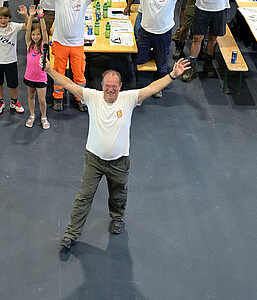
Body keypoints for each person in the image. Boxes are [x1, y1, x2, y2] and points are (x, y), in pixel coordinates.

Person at [52, 58, 191, 250]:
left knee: (118, 193)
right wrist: (49, 69)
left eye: (114, 86)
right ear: (102, 86)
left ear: (120, 86)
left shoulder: (129, 98)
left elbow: (151, 88)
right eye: (107, 86)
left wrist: (172, 75)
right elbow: (67, 83)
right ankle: (71, 233)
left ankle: (117, 218)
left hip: (119, 162)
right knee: (83, 197)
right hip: (93, 160)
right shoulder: (92, 97)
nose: (110, 90)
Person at [46, 0, 121, 111]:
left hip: (77, 44)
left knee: (79, 74)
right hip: (60, 43)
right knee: (59, 72)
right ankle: (58, 97)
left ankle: (80, 97)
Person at [130, 0, 189, 82]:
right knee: (139, 58)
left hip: (164, 34)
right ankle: (155, 55)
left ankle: (159, 84)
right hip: (145, 32)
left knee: (162, 65)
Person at [20, 4, 50, 129]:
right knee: (31, 96)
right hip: (29, 77)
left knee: (42, 100)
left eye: (37, 35)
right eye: (33, 35)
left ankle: (43, 117)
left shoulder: (44, 45)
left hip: (41, 78)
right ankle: (32, 115)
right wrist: (30, 16)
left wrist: (41, 17)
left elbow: (44, 31)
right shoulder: (29, 45)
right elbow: (27, 30)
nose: (35, 37)